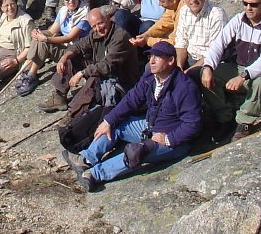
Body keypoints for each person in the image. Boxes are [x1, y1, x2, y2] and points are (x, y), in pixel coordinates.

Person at [64, 41, 201, 192]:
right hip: (150, 126)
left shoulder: (184, 87)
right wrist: (108, 121)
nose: (152, 61)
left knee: (137, 152)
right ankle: (86, 159)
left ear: (171, 60)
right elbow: (131, 100)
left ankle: (94, 174)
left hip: (172, 139)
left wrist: (168, 139)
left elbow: (192, 124)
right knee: (115, 124)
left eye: (158, 57)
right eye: (151, 56)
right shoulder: (151, 77)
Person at [200, 0, 261, 139]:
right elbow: (219, 44)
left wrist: (243, 76)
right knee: (205, 74)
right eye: (245, 3)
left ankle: (244, 122)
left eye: (253, 5)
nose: (248, 8)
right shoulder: (238, 20)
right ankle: (224, 118)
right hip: (238, 68)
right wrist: (207, 67)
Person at [38, 7, 141, 114]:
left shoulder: (120, 37)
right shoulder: (95, 33)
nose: (98, 28)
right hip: (105, 72)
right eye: (94, 26)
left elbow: (107, 66)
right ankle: (59, 95)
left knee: (94, 76)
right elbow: (79, 45)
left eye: (100, 23)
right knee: (72, 58)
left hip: (122, 81)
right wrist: (64, 57)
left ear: (107, 19)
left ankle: (74, 113)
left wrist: (81, 73)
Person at [19, 0, 91, 96]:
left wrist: (46, 39)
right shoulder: (64, 11)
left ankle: (31, 73)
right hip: (68, 47)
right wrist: (39, 33)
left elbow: (69, 38)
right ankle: (31, 69)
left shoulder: (84, 15)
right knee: (40, 37)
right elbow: (52, 31)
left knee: (44, 42)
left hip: (77, 52)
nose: (71, 1)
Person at [172, 0, 227, 72]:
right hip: (189, 56)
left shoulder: (217, 14)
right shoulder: (184, 10)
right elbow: (181, 42)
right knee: (156, 67)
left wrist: (188, 72)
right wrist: (179, 67)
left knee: (189, 79)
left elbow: (214, 51)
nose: (193, 0)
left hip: (208, 62)